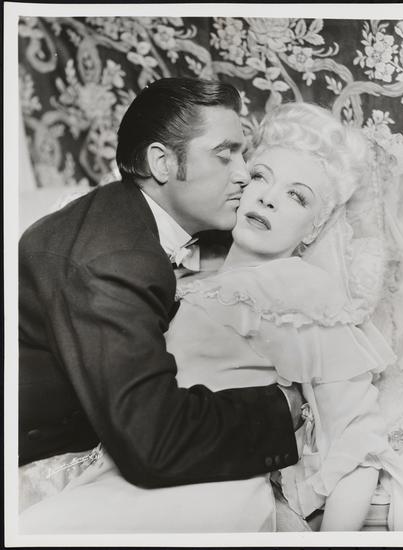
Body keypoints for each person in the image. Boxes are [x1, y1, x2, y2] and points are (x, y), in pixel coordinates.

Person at [20, 103, 403, 533]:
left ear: (313, 229)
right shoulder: (176, 277)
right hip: (134, 470)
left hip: (212, 488)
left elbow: (357, 445)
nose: (267, 197)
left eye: (297, 195)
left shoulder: (303, 294)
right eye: (260, 176)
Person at [19, 79, 306, 508]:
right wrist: (284, 406)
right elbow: (155, 441)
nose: (244, 173)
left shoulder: (121, 213)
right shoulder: (113, 261)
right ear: (161, 162)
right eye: (224, 154)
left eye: (243, 154)